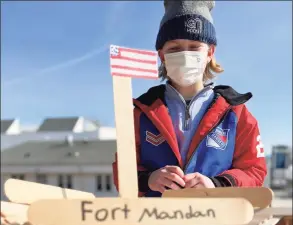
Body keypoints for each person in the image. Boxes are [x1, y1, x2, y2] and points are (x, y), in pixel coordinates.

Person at [113, 0, 267, 197]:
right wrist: (149, 179)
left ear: (210, 52)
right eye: (174, 48)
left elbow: (254, 171)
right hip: (155, 221)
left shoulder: (236, 112)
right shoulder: (140, 113)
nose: (185, 55)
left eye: (194, 47)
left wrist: (217, 185)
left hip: (217, 220)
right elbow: (122, 170)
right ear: (161, 55)